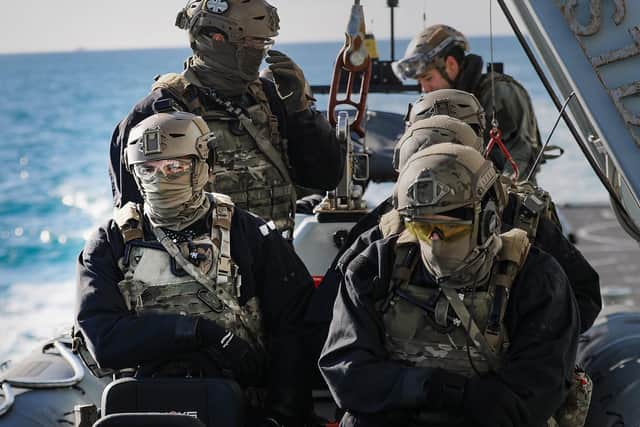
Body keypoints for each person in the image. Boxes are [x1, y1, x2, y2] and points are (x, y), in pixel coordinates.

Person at [77, 112, 314, 426]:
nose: (161, 179)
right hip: (145, 403)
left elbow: (294, 328)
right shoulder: (110, 243)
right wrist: (198, 332)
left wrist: (280, 415)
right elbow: (103, 341)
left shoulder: (248, 234)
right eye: (148, 169)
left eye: (175, 167)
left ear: (204, 165)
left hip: (243, 402)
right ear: (134, 174)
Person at [319, 143, 580, 427]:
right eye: (421, 228)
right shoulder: (375, 267)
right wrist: (433, 388)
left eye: (449, 228)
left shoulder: (535, 278)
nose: (434, 242)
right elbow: (347, 374)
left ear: (489, 218)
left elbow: (532, 394)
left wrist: (445, 395)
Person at [108, 0, 343, 238]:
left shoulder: (270, 97)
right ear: (215, 39)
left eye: (263, 42)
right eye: (250, 42)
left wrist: (302, 111)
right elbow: (133, 217)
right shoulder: (157, 113)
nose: (259, 51)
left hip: (274, 261)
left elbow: (325, 177)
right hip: (197, 269)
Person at [393, 25, 542, 179]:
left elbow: (522, 154)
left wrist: (501, 194)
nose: (424, 89)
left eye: (428, 78)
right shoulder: (439, 107)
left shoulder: (499, 93)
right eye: (420, 81)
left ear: (451, 64)